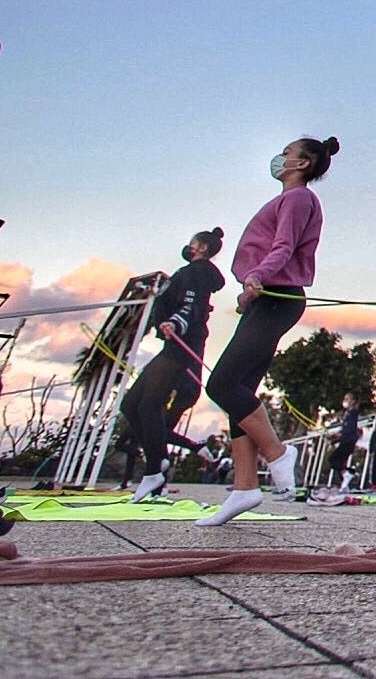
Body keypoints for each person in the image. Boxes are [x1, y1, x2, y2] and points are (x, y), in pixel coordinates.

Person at [197, 135, 340, 526]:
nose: (280, 157)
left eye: (288, 153)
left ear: (302, 164)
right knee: (239, 394)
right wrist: (249, 292)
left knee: (221, 385)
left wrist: (258, 275)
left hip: (280, 297)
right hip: (266, 298)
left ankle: (278, 454)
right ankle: (244, 488)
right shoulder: (288, 199)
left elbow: (284, 246)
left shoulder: (297, 199)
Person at [124, 228, 227, 502]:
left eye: (193, 242)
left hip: (183, 346)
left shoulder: (197, 272)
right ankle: (158, 463)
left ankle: (154, 470)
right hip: (173, 345)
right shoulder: (191, 272)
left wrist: (177, 323)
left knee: (148, 404)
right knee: (131, 404)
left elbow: (191, 304)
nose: (189, 245)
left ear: (203, 247)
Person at [327, 392, 361, 490]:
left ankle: (348, 474)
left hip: (348, 441)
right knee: (338, 462)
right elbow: (345, 428)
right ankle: (345, 483)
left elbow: (350, 429)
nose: (345, 401)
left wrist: (340, 434)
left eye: (347, 399)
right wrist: (335, 435)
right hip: (345, 440)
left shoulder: (353, 413)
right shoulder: (348, 413)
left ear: (353, 401)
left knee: (333, 460)